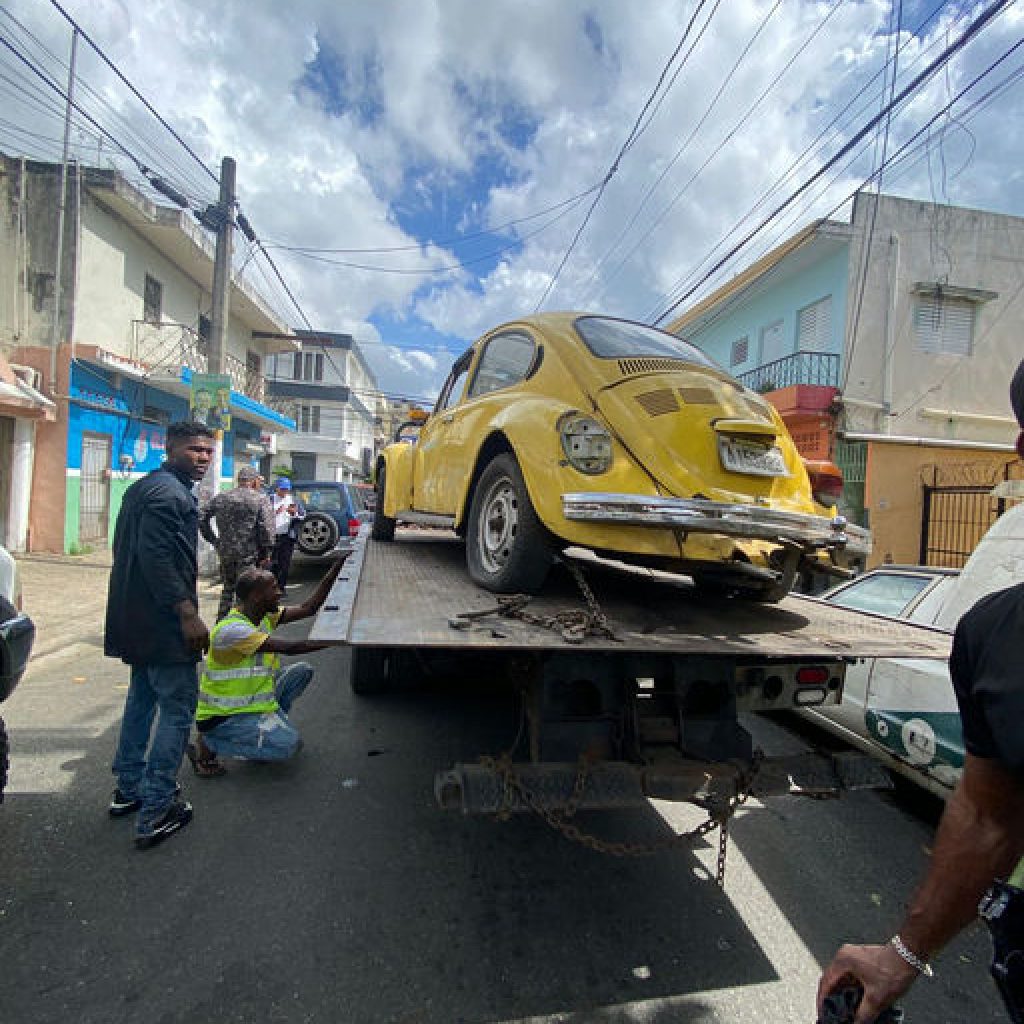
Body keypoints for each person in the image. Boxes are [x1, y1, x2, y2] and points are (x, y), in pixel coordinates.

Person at [817, 361, 1024, 1023]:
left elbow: (988, 817)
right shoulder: (994, 635)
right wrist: (901, 956)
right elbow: (990, 817)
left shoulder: (995, 635)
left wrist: (902, 956)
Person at [105, 421, 215, 850]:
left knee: (142, 699)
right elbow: (155, 557)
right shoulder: (169, 495)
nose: (203, 457)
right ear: (170, 448)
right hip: (163, 622)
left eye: (208, 450)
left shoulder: (144, 488)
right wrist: (187, 614)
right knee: (177, 708)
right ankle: (156, 808)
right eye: (194, 449)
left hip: (136, 618)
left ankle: (128, 789)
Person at [185, 555, 348, 776]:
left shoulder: (262, 616)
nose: (280, 592)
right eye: (274, 588)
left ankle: (261, 733)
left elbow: (308, 608)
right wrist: (339, 639)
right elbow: (291, 647)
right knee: (289, 746)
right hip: (224, 716)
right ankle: (209, 743)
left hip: (252, 703)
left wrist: (334, 571)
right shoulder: (233, 631)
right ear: (256, 596)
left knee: (301, 671)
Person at [199, 465, 275, 619]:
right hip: (249, 555)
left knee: (228, 589)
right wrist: (267, 552)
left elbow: (201, 516)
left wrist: (213, 540)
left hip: (226, 553)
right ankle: (241, 627)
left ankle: (222, 624)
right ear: (254, 481)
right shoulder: (260, 498)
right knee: (247, 594)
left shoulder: (222, 497)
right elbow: (267, 529)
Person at [270, 477, 305, 589]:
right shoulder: (270, 499)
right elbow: (263, 516)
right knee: (272, 563)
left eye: (286, 489)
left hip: (287, 537)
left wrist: (294, 514)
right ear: (277, 488)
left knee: (284, 564)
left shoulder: (293, 500)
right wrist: (275, 512)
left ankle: (281, 587)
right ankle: (271, 587)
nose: (284, 492)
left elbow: (303, 515)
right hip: (272, 537)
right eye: (282, 489)